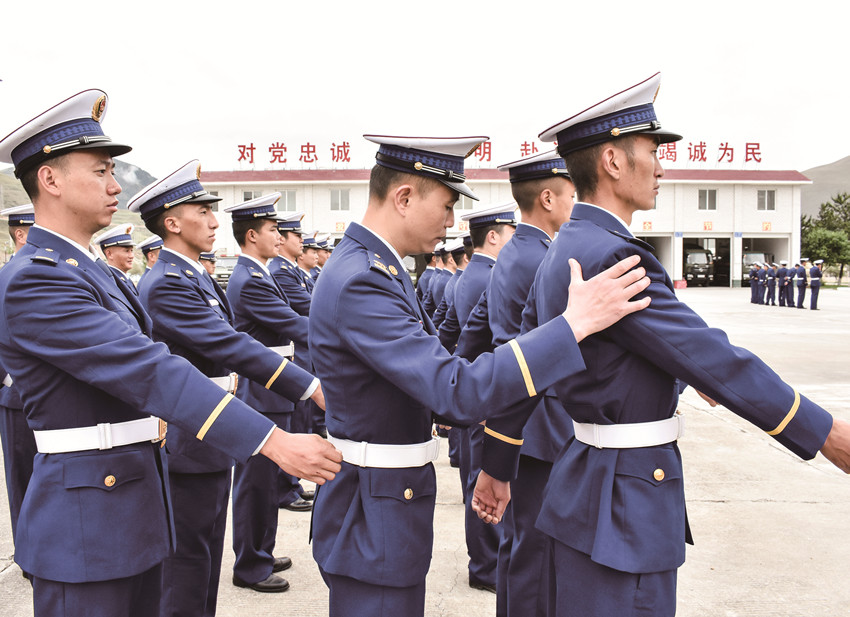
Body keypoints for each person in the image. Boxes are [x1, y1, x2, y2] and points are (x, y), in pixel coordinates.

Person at [472, 72, 850, 617]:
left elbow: (527, 369)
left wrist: (497, 463)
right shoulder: (611, 254)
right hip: (624, 500)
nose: (661, 167)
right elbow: (715, 358)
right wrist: (826, 432)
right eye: (652, 151)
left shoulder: (565, 248)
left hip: (584, 484)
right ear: (612, 161)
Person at [0, 89, 341, 617]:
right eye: (100, 171)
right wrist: (271, 440)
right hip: (86, 520)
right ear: (50, 179)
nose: (115, 185)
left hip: (132, 500)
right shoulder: (37, 278)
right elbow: (149, 368)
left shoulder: (89, 271)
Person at [308, 133, 652, 617]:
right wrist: (572, 326)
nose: (451, 223)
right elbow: (456, 390)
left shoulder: (377, 268)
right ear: (404, 198)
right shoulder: (363, 279)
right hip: (372, 513)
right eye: (447, 206)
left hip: (383, 504)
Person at [130, 160, 329, 615]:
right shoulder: (166, 284)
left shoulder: (193, 275)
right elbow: (230, 343)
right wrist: (310, 386)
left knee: (204, 557)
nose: (215, 221)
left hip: (211, 433)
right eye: (203, 212)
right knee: (187, 565)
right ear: (172, 223)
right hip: (190, 436)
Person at [477, 149, 575, 617]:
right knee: (536, 551)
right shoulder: (543, 258)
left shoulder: (515, 251)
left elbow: (479, 331)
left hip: (521, 416)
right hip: (539, 418)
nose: (577, 203)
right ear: (548, 198)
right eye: (573, 194)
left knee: (519, 546)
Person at [222, 193, 313, 593]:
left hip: (272, 389)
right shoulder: (249, 280)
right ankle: (250, 564)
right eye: (274, 230)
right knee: (255, 483)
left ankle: (261, 551)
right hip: (260, 391)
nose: (280, 237)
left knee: (267, 480)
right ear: (252, 235)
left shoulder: (259, 273)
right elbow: (294, 323)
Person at [0, 204, 37, 565]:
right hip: (15, 397)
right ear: (21, 233)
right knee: (23, 479)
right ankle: (27, 556)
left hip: (45, 396)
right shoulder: (8, 275)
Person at [270, 212, 311, 316]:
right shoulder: (281, 272)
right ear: (282, 239)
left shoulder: (292, 269)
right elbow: (309, 306)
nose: (302, 240)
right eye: (298, 236)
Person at [94, 223, 139, 295]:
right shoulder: (110, 282)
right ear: (109, 254)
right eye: (126, 251)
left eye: (131, 250)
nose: (131, 256)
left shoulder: (125, 279)